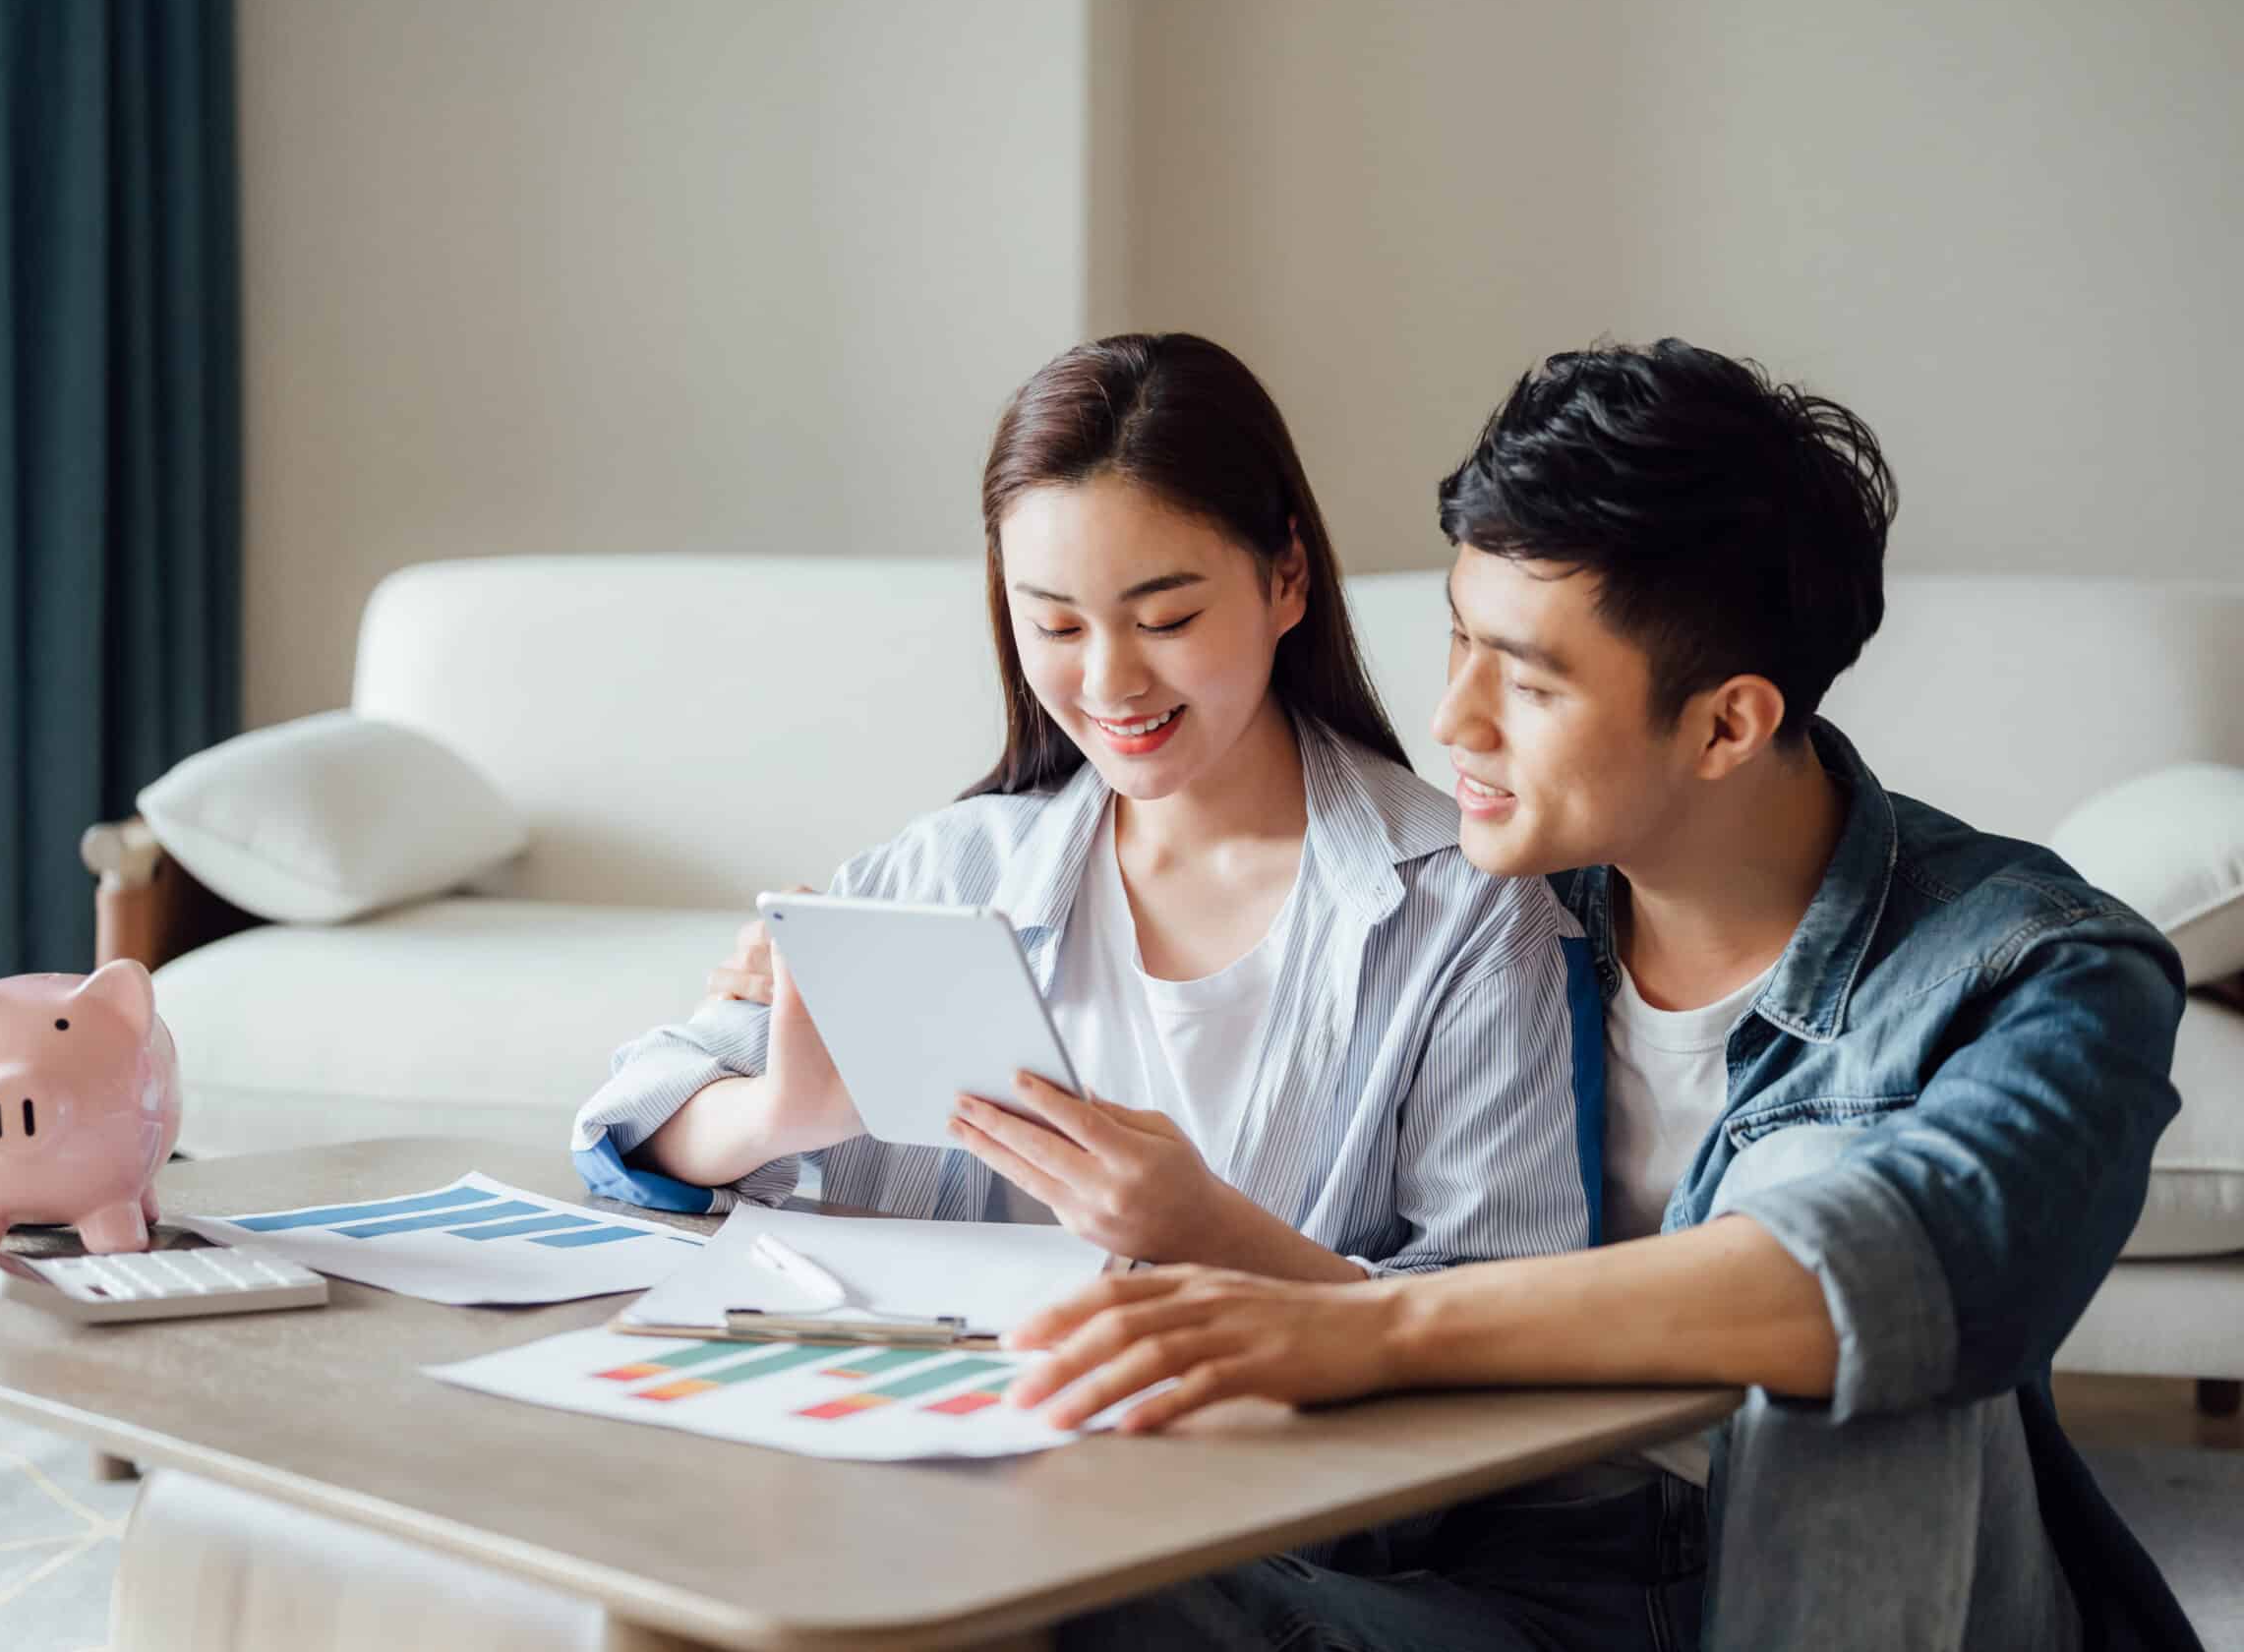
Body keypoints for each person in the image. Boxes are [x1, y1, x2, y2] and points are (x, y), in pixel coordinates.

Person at [1005, 338, 2200, 1652]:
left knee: (1836, 1257)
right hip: (1509, 1568)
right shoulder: (1481, 912)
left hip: (1876, 1567)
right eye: (1458, 640)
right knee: (1064, 1593)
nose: (1456, 721)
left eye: (1524, 679)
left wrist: (1375, 1327)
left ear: (1726, 724)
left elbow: (1920, 1267)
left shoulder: (2047, 965)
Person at [571, 331, 1598, 1288]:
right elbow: (631, 1115)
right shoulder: (945, 873)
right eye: (1055, 624)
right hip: (941, 1447)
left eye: (1166, 618)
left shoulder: (1465, 908)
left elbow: (1503, 1302)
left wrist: (1213, 1233)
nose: (1110, 681)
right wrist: (777, 1112)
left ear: (1286, 578)